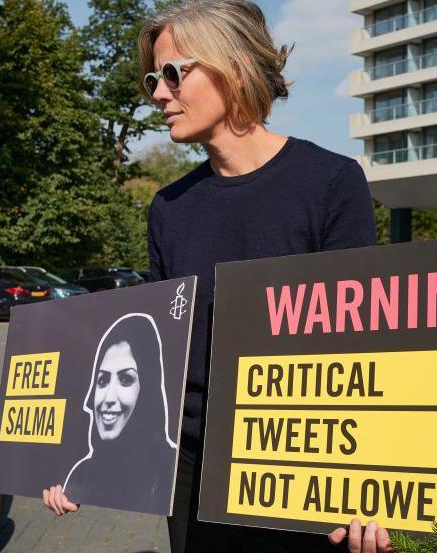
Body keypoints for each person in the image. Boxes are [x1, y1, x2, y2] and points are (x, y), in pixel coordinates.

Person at [46, 1, 392, 551]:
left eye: (173, 74)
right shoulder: (169, 208)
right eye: (152, 78)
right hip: (192, 471)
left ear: (231, 67)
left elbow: (361, 351)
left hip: (298, 474)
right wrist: (80, 460)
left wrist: (364, 487)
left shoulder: (331, 183)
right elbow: (158, 353)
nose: (158, 93)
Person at [47, 314, 178, 515]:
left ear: (148, 389)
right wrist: (61, 494)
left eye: (126, 380)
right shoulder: (83, 472)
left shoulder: (170, 470)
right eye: (102, 380)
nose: (108, 397)